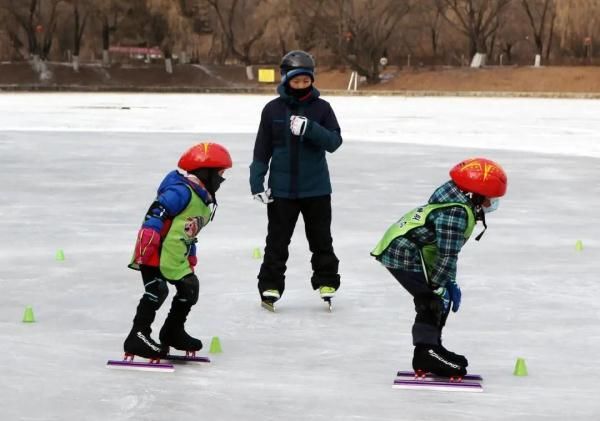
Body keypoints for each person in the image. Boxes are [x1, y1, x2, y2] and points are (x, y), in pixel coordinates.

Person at [371, 158, 507, 377]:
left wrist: (448, 281)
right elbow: (447, 254)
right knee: (431, 301)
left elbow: (445, 252)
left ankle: (434, 348)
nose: (493, 203)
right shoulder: (455, 213)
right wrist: (437, 285)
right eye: (491, 198)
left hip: (413, 251)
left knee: (436, 299)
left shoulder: (458, 202)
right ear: (476, 194)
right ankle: (426, 354)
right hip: (403, 254)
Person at [249, 50, 343, 310]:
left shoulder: (322, 108)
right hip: (282, 191)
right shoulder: (272, 110)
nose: (302, 85)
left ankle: (327, 281)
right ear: (285, 79)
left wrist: (310, 129)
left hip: (317, 190)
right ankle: (270, 286)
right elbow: (262, 148)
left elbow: (334, 142)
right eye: (296, 81)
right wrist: (257, 181)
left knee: (321, 239)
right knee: (277, 242)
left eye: (306, 81)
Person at [123, 142, 232, 359]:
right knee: (157, 291)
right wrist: (149, 235)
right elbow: (157, 212)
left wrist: (190, 253)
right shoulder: (181, 191)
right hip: (154, 251)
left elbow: (186, 231)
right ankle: (137, 336)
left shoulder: (202, 198)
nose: (222, 179)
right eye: (220, 174)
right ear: (206, 173)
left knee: (190, 288)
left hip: (174, 256)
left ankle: (172, 331)